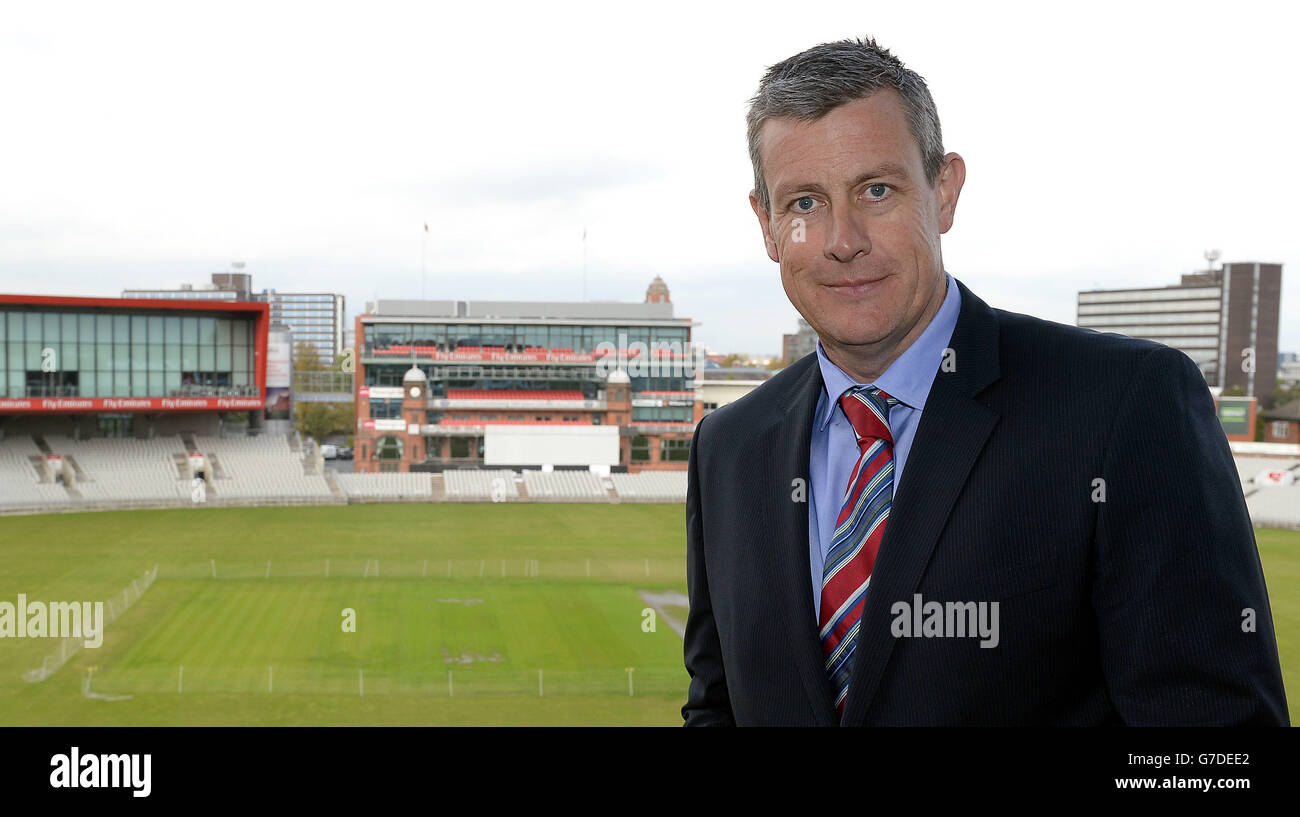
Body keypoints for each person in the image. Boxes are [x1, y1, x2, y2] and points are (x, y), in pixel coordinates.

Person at [682, 37, 1288, 726]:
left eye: (876, 190)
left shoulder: (1125, 406)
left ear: (945, 192)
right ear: (765, 224)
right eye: (804, 204)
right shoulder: (726, 448)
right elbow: (717, 707)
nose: (841, 239)